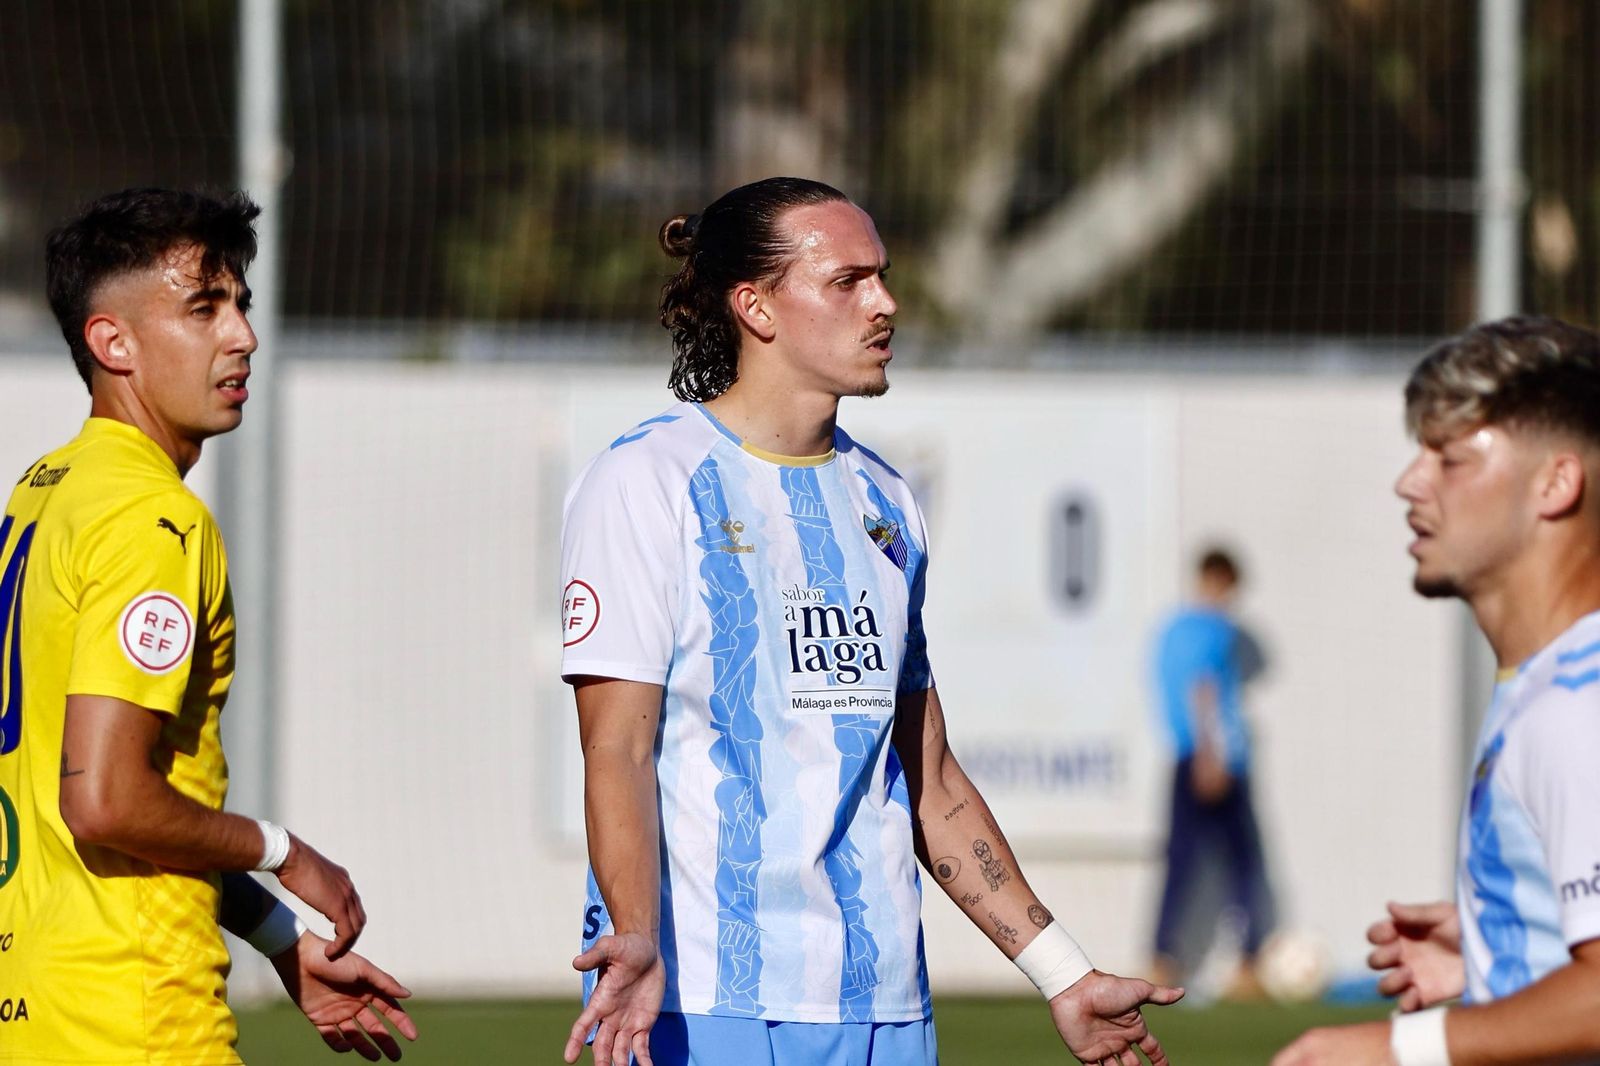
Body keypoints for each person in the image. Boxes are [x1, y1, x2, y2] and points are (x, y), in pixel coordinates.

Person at [558, 176, 1182, 1066]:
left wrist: (1064, 974)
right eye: (847, 281)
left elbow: (927, 776)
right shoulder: (646, 482)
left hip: (885, 1007)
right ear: (756, 307)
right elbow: (615, 749)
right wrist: (633, 935)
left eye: (882, 277)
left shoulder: (886, 498)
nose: (885, 304)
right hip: (703, 1001)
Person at [0, 188, 417, 1064]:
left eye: (241, 304)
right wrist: (282, 849)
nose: (243, 337)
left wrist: (276, 941)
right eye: (204, 308)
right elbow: (106, 799)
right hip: (133, 1016)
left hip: (36, 1003)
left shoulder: (47, 492)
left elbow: (101, 799)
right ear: (112, 342)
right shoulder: (154, 523)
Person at [1274, 316, 1600, 1066]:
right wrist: (1503, 943)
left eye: (1448, 457)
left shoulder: (1578, 704)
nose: (1409, 481)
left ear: (1555, 482)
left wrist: (1398, 1048)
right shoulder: (1542, 687)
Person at [1149, 548, 1273, 996]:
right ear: (1218, 580)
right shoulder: (1214, 630)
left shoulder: (1169, 630)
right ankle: (1248, 964)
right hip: (1215, 758)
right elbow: (1202, 690)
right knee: (1244, 863)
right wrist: (1211, 755)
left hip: (1186, 756)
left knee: (1180, 861)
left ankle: (1162, 958)